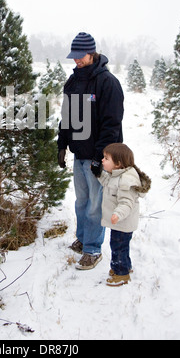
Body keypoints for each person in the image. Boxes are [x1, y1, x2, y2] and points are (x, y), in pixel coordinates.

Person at [58, 32, 124, 270]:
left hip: (99, 158)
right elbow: (66, 117)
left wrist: (100, 159)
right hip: (79, 155)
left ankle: (93, 249)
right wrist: (61, 145)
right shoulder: (73, 81)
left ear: (92, 53)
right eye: (73, 56)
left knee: (96, 205)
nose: (76, 60)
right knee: (82, 201)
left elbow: (111, 125)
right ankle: (84, 238)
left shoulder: (107, 83)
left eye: (80, 56)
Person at [99, 143, 151, 286]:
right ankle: (125, 266)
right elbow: (107, 182)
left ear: (118, 163)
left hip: (122, 222)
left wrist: (117, 215)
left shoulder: (126, 181)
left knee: (118, 247)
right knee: (122, 247)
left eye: (106, 158)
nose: (102, 160)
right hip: (121, 223)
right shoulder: (116, 175)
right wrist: (98, 173)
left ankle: (121, 274)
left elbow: (126, 203)